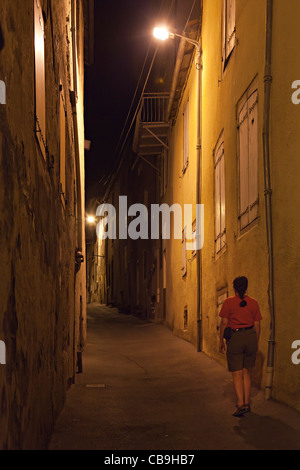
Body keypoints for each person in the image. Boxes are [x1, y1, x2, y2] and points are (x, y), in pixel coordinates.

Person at [219, 276, 262, 417]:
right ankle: (247, 403)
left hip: (235, 338)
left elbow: (224, 323)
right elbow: (257, 324)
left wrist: (221, 341)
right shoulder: (253, 303)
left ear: (234, 288)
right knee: (246, 372)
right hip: (250, 336)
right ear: (246, 287)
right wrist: (256, 341)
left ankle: (240, 404)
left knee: (237, 373)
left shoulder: (228, 302)